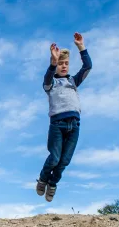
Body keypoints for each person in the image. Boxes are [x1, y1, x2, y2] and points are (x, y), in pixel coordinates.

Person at [36, 32, 92, 201]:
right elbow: (47, 77)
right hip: (57, 125)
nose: (64, 66)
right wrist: (53, 62)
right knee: (54, 158)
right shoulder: (50, 85)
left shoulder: (73, 82)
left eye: (66, 63)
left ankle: (52, 183)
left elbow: (87, 66)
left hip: (74, 126)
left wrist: (81, 47)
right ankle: (43, 178)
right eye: (61, 64)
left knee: (64, 161)